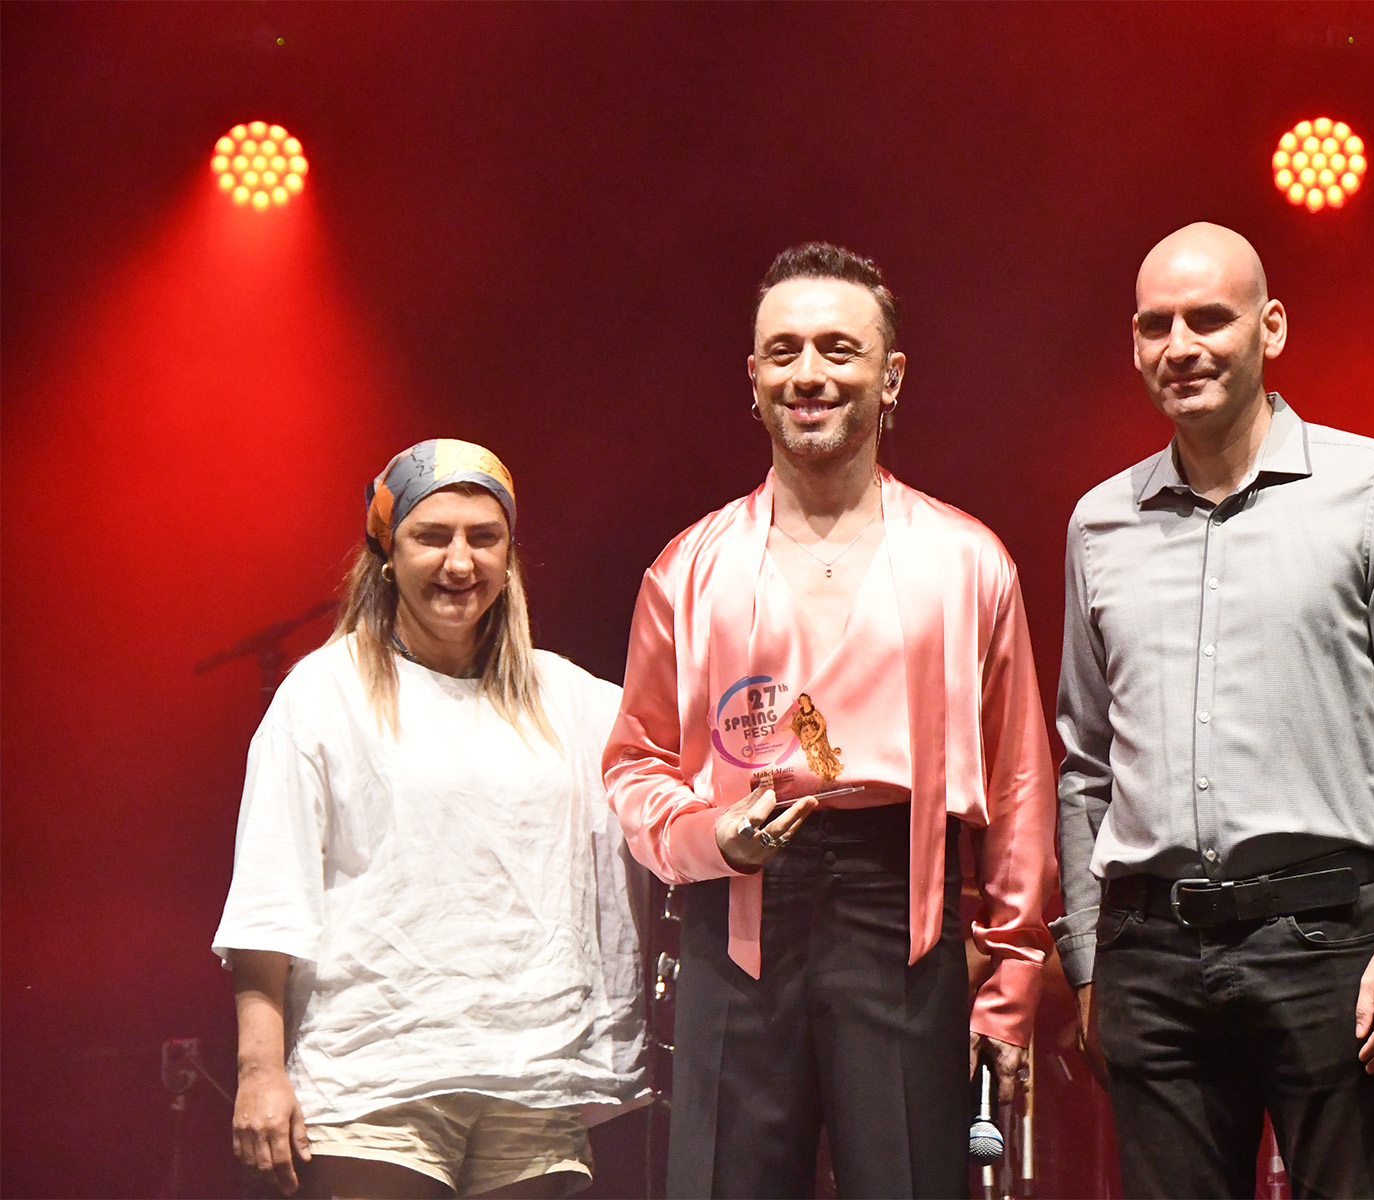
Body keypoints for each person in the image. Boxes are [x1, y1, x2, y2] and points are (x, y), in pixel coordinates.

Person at [603, 243, 1057, 1199]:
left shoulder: (967, 561)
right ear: (753, 378)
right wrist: (709, 838)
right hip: (736, 913)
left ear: (891, 377)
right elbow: (635, 763)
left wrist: (1012, 983)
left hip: (905, 911)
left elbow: (1019, 783)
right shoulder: (687, 569)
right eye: (785, 351)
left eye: (838, 349)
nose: (809, 373)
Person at [1053, 223, 1374, 1198]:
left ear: (1271, 328)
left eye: (1210, 319)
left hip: (1332, 944)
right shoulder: (1100, 523)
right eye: (1156, 325)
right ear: (1132, 343)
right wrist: (1088, 963)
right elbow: (1085, 763)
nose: (1181, 346)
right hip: (1151, 956)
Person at [214, 439, 647, 1199]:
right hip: (373, 1084)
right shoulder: (324, 693)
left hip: (532, 1081)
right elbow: (269, 900)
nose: (460, 561)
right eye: (433, 536)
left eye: (484, 537)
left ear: (509, 555)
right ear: (387, 552)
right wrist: (260, 1071)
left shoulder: (569, 700)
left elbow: (688, 763)